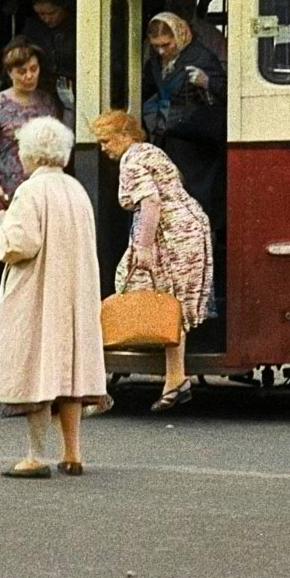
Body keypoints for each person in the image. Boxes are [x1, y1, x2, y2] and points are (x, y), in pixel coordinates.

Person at [0, 116, 109, 477]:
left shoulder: (30, 191)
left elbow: (20, 245)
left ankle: (35, 456)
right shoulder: (76, 190)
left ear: (31, 155)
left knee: (37, 369)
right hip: (74, 292)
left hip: (38, 291)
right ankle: (73, 453)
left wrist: (3, 227)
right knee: (70, 371)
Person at [92, 110, 213, 412]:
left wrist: (142, 247)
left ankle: (95, 386)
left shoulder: (131, 160)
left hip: (169, 234)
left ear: (124, 135)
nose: (103, 147)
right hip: (190, 229)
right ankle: (175, 377)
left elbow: (150, 202)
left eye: (106, 140)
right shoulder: (150, 151)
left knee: (128, 287)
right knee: (171, 303)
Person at [142, 12, 227, 230]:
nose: (161, 51)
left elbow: (227, 93)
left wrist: (207, 82)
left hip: (198, 146)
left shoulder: (201, 57)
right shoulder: (156, 61)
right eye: (156, 46)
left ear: (179, 36)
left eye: (166, 45)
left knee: (198, 201)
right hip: (170, 140)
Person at [0, 37, 61, 226]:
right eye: (21, 72)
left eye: (33, 69)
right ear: (10, 73)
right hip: (6, 194)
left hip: (41, 192)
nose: (29, 76)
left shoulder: (47, 101)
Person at [20, 0, 76, 116]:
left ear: (63, 7)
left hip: (75, 89)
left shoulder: (77, 26)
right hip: (42, 91)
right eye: (41, 14)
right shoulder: (33, 29)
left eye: (51, 13)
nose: (46, 19)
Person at [165, 0, 228, 66]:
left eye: (187, 7)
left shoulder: (212, 36)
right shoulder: (158, 34)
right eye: (177, 7)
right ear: (170, 8)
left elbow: (222, 68)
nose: (183, 13)